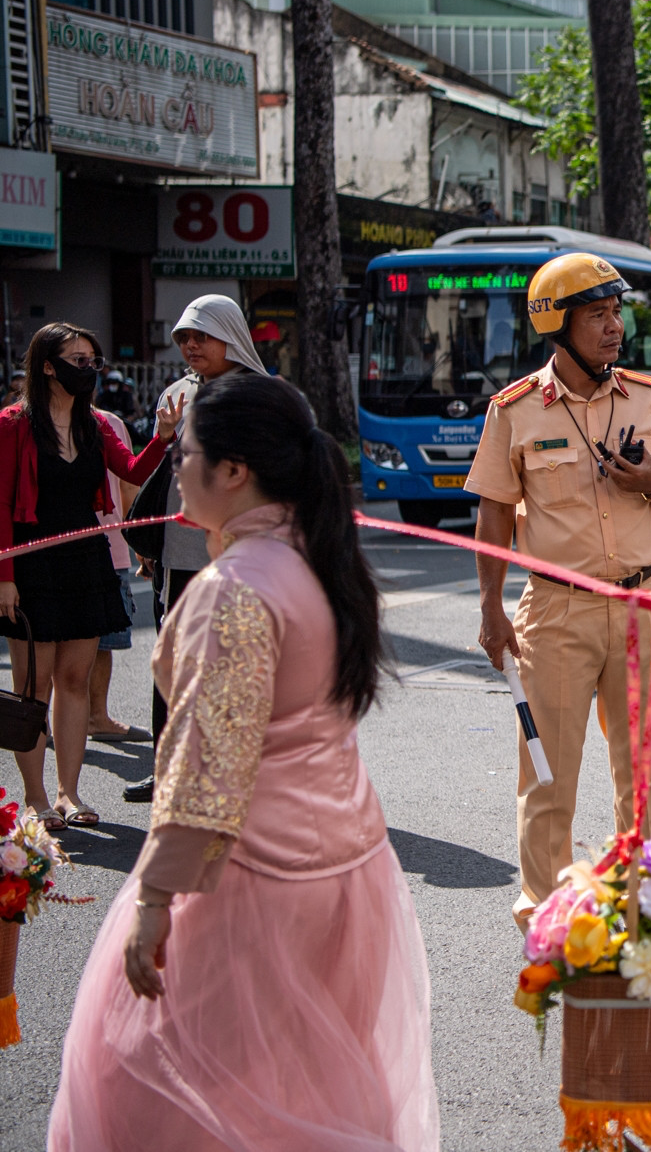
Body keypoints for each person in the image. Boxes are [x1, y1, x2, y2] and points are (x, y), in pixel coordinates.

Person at [48, 373, 438, 1150]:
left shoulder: (236, 589)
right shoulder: (315, 559)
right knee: (295, 1081)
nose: (175, 470)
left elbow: (205, 761)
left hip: (249, 876)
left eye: (184, 454)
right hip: (341, 861)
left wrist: (155, 898)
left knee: (170, 1092)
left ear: (233, 471)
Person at [466, 252, 651, 928]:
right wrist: (489, 610)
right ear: (557, 323)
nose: (614, 327)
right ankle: (548, 915)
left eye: (616, 312)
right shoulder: (513, 412)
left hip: (637, 606)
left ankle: (649, 911)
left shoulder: (645, 397)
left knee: (643, 775)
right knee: (547, 773)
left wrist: (649, 482)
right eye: (597, 314)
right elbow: (490, 514)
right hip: (554, 610)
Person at [0, 324, 177, 829]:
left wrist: (162, 440)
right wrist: (4, 576)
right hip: (30, 562)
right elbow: (0, 503)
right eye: (77, 359)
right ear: (47, 366)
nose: (89, 369)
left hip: (85, 560)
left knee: (75, 680)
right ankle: (34, 798)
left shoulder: (96, 424)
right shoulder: (12, 424)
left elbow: (133, 472)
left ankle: (68, 794)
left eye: (93, 360)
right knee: (33, 688)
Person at [124, 295, 267, 804]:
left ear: (230, 335)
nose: (189, 345)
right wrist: (153, 544)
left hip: (240, 561)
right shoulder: (176, 393)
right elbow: (155, 471)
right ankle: (168, 769)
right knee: (172, 663)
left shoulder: (263, 397)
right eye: (183, 337)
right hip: (179, 557)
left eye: (200, 335)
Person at [89, 407, 142, 739]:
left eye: (91, 361)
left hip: (112, 544)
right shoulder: (32, 420)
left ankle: (98, 716)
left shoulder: (110, 423)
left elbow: (128, 485)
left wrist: (136, 539)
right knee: (51, 641)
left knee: (104, 642)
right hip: (55, 546)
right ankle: (39, 721)